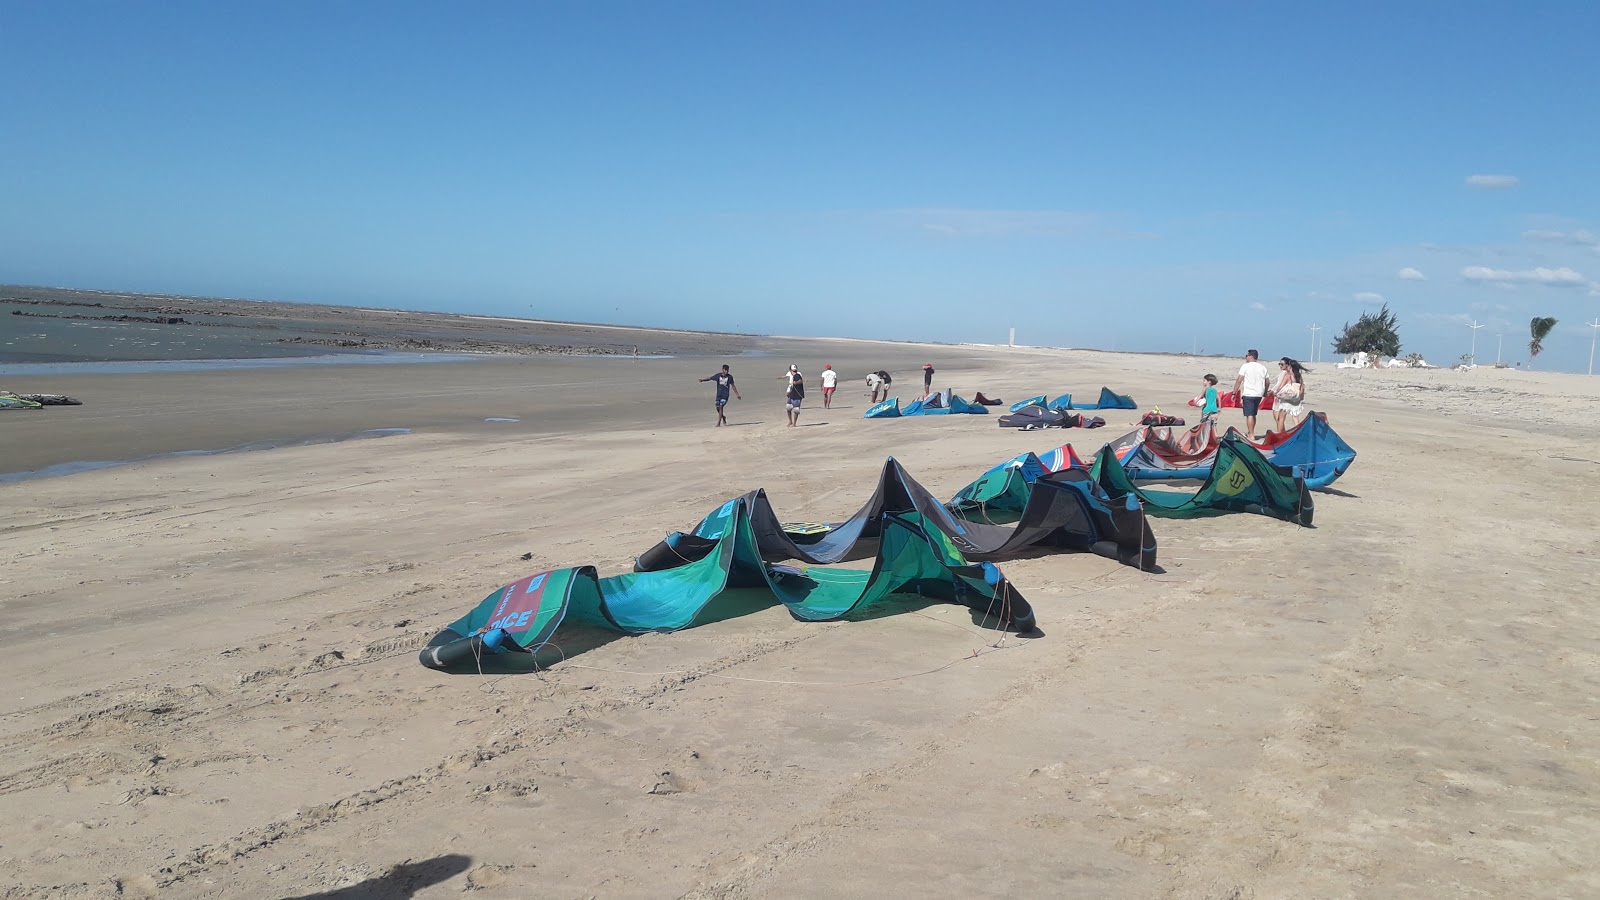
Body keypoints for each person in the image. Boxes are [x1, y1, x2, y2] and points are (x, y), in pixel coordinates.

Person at [1231, 349, 1270, 440]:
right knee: (1253, 413)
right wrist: (1265, 391)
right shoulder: (1262, 367)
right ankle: (1251, 432)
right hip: (1258, 393)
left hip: (1249, 393)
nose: (1246, 357)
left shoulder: (1245, 366)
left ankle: (1251, 435)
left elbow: (1239, 380)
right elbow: (1267, 382)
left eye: (1247, 356)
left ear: (1251, 356)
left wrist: (1234, 392)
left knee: (1249, 414)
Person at [1271, 357, 1308, 432]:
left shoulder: (1288, 375)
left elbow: (1280, 386)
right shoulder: (1299, 376)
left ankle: (1279, 434)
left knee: (1281, 418)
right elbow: (1301, 389)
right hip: (1295, 399)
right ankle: (1298, 432)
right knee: (1295, 417)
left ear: (1290, 367)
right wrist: (1300, 398)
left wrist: (1276, 393)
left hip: (1287, 399)